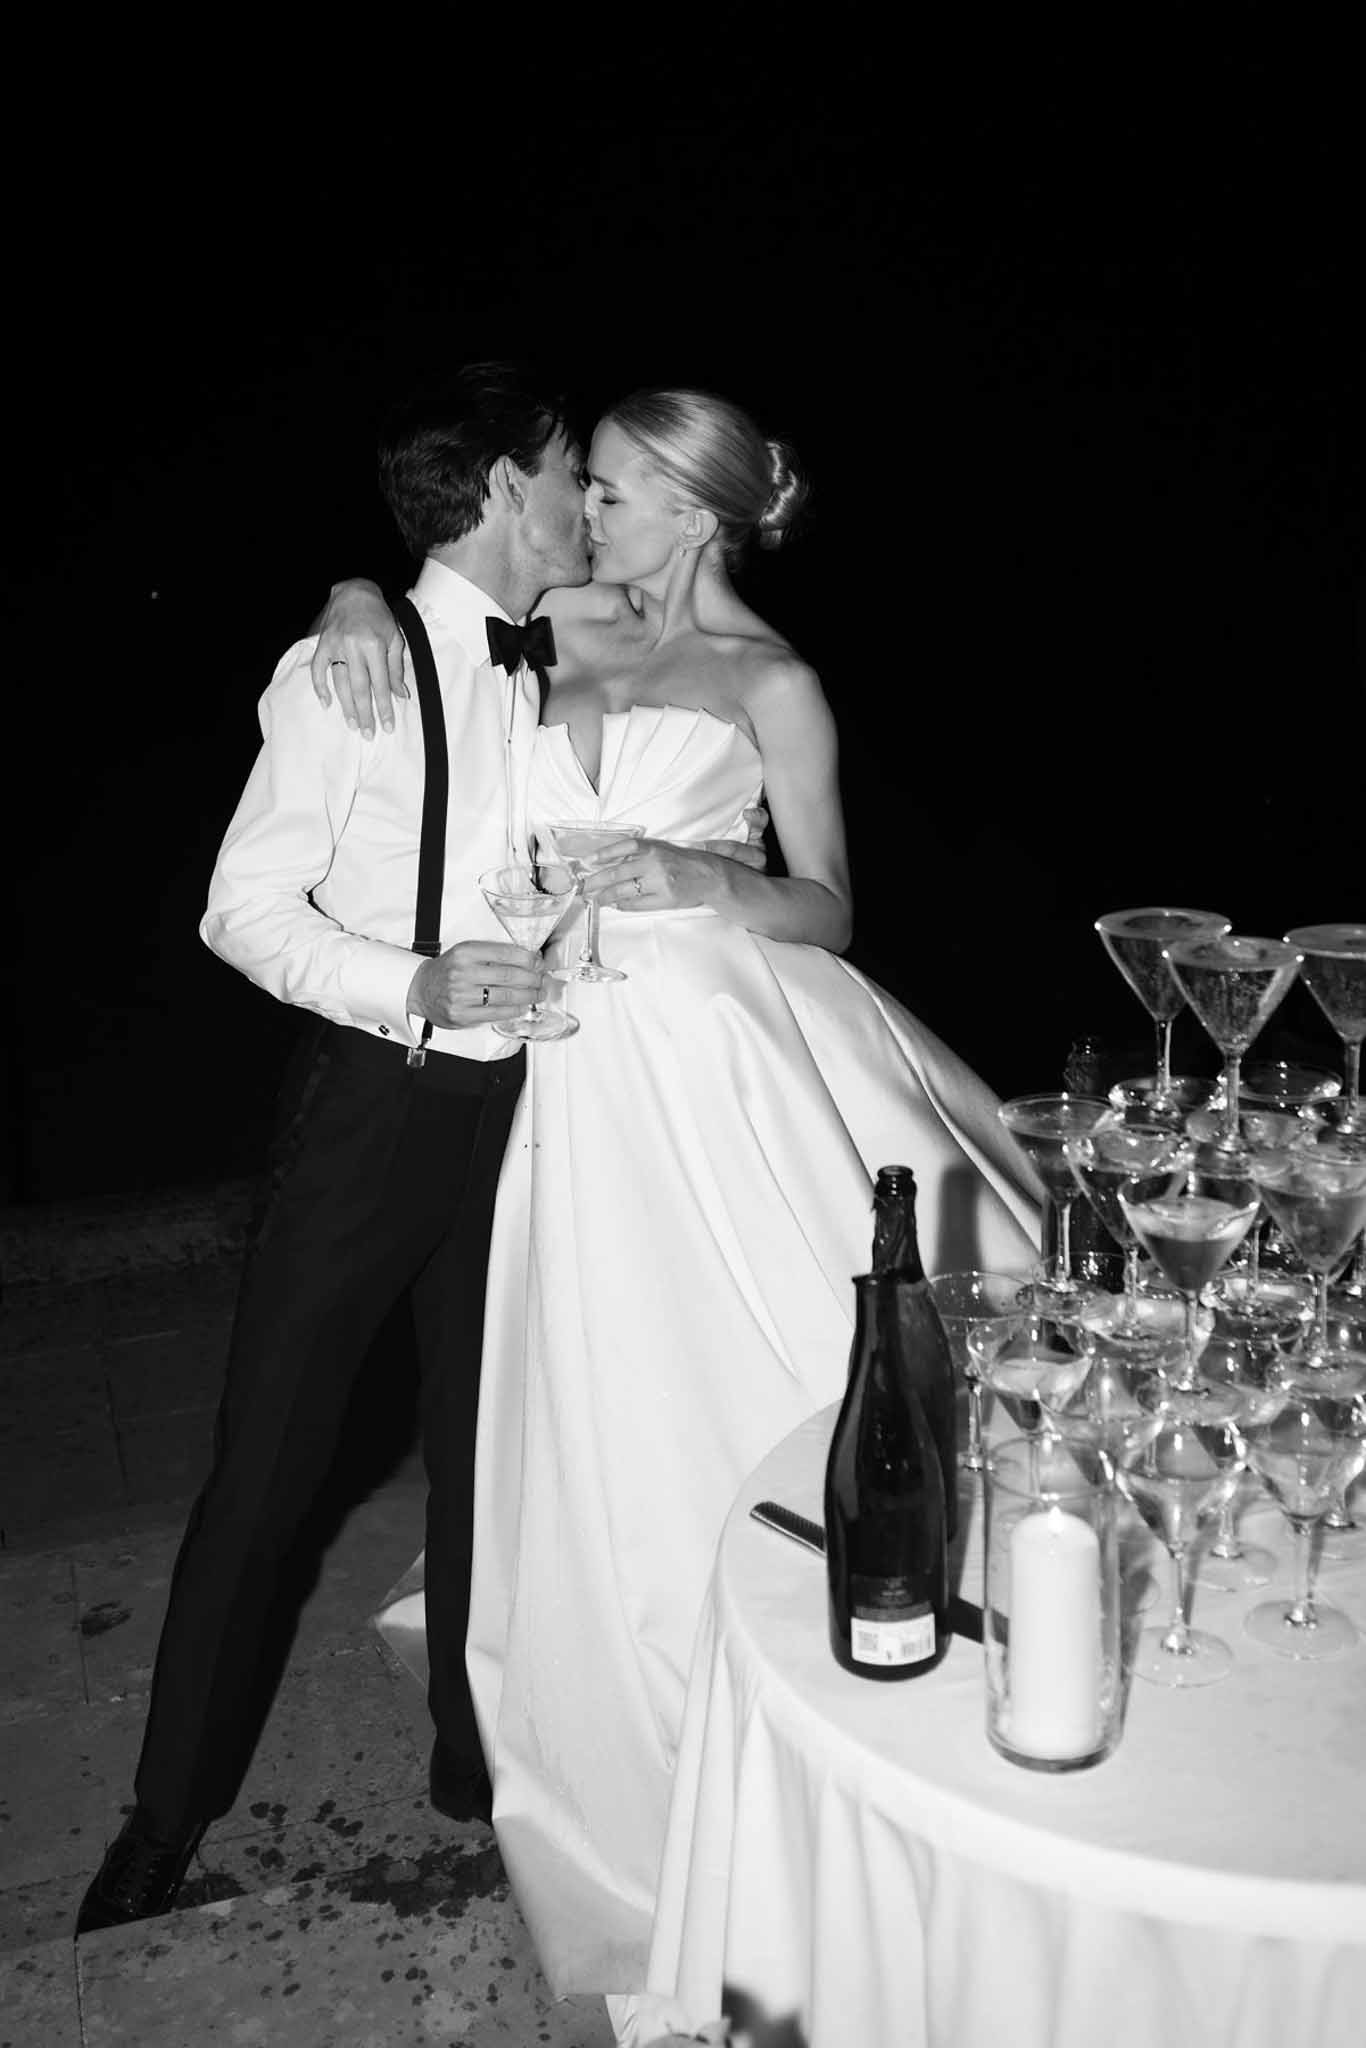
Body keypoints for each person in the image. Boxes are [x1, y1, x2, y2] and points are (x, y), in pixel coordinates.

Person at [310, 385, 1044, 2045]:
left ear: (700, 516)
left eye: (621, 497)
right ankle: (615, 1699)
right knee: (598, 1382)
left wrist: (712, 880)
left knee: (786, 1370)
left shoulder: (769, 679)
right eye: (588, 491)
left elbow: (831, 904)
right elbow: (436, 590)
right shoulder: (554, 613)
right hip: (570, 1059)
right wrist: (350, 592)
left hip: (720, 1050)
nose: (587, 520)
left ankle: (834, 1648)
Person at [74, 364, 600, 1936]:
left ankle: (467, 1754)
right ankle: (164, 1821)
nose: (585, 497)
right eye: (569, 471)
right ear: (507, 488)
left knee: (486, 1453)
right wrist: (412, 984)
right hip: (374, 1114)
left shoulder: (562, 647)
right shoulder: (341, 673)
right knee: (267, 1474)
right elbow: (241, 910)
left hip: (529, 1114)